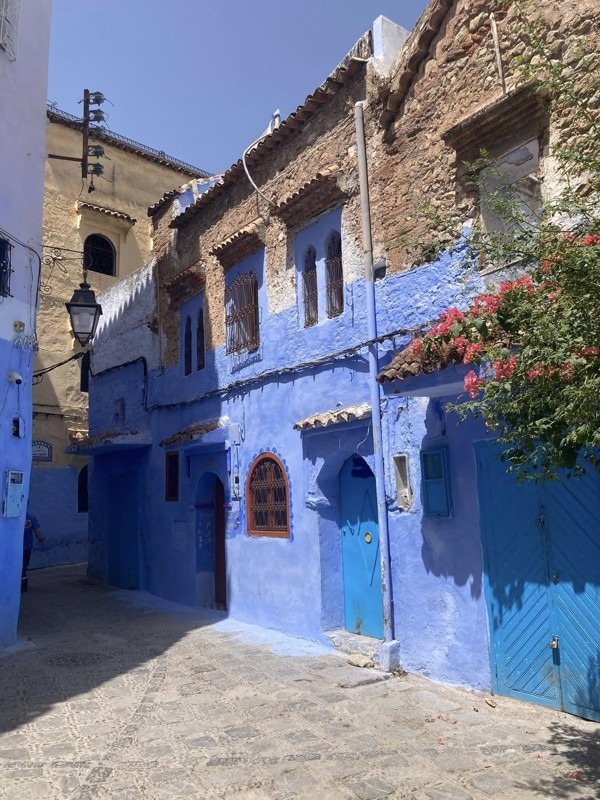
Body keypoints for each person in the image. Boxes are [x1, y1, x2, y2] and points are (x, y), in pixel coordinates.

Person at [22, 510, 44, 592]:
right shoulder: (31, 517)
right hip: (27, 548)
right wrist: (40, 538)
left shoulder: (15, 518)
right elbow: (36, 530)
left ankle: (22, 585)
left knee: (21, 567)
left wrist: (40, 537)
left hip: (20, 548)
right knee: (23, 566)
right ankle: (23, 586)